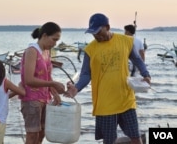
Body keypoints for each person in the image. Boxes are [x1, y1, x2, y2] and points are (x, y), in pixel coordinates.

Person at [65, 13, 151, 144]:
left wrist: (146, 74)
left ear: (107, 27)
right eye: (93, 33)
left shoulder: (125, 41)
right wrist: (76, 88)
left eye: (99, 32)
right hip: (105, 103)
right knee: (109, 140)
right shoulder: (90, 49)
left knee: (135, 136)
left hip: (125, 99)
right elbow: (86, 74)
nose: (96, 36)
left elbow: (137, 59)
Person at [20, 22, 65, 144]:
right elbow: (28, 80)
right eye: (54, 40)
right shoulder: (32, 51)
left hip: (44, 98)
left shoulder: (47, 51)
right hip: (31, 99)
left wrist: (54, 93)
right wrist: (53, 84)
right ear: (44, 35)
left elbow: (47, 75)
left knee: (42, 133)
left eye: (57, 41)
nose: (55, 44)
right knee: (32, 135)